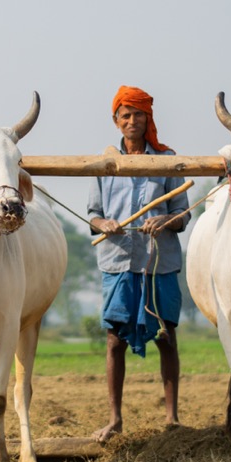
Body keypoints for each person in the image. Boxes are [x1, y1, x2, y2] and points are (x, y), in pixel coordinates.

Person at [87, 85, 191, 443]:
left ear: (148, 119)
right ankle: (115, 419)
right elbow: (93, 215)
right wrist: (104, 225)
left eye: (138, 114)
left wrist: (165, 221)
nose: (132, 121)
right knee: (114, 339)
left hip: (158, 261)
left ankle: (172, 420)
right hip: (117, 260)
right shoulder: (103, 164)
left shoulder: (168, 159)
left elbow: (182, 214)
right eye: (125, 115)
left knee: (165, 335)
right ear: (116, 122)